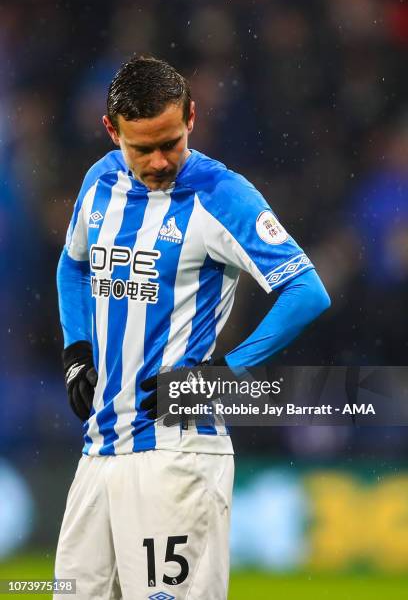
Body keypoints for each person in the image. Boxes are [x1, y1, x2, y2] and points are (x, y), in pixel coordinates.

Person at [55, 55, 330, 600]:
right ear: (112, 131)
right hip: (99, 454)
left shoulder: (222, 194)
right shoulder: (99, 181)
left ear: (192, 119)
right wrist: (76, 353)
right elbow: (72, 264)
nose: (160, 160)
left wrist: (225, 373)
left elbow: (306, 291)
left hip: (177, 456)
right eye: (142, 148)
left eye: (172, 142)